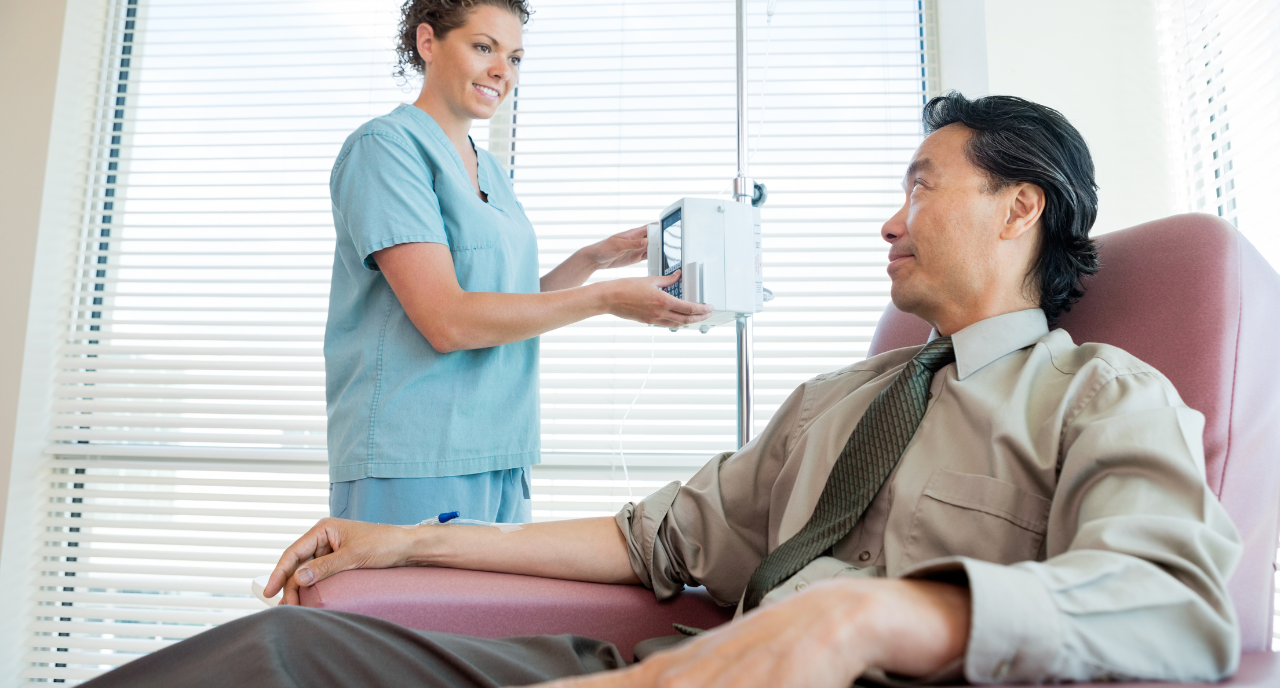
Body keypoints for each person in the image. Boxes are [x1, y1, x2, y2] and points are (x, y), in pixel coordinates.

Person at [82, 93, 1241, 688]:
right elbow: (655, 541)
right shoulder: (842, 397)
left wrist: (870, 613)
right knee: (276, 660)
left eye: (920, 186)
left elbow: (1173, 605)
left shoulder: (1097, 395)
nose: (888, 219)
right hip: (667, 663)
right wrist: (399, 543)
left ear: (1018, 204)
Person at [324, 0, 711, 526]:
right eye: (484, 47)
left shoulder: (490, 171)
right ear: (427, 41)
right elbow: (448, 320)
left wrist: (593, 258)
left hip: (501, 453)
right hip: (412, 458)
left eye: (516, 57)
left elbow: (505, 304)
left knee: (490, 616)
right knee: (407, 616)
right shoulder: (387, 151)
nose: (502, 71)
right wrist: (605, 298)